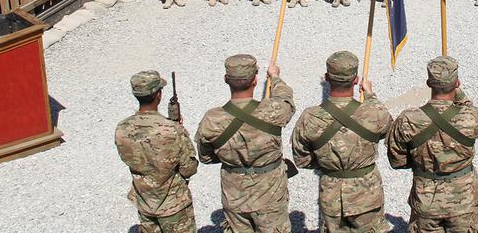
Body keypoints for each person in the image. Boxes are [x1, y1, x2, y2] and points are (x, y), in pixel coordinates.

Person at [291, 51, 392, 232]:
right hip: (367, 195)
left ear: (327, 77)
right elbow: (388, 131)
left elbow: (302, 159)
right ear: (356, 80)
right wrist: (370, 96)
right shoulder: (374, 112)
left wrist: (327, 165)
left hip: (332, 194)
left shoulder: (310, 117)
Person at [387, 56, 478, 233]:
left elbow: (397, 160)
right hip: (463, 201)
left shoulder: (408, 119)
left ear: (428, 83)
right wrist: (461, 95)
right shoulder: (471, 118)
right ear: (457, 83)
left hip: (425, 201)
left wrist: (422, 162)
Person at [194, 55, 295, 233]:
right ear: (255, 80)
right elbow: (286, 100)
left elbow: (206, 158)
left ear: (226, 80)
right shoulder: (272, 110)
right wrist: (275, 77)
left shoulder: (212, 118)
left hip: (234, 193)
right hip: (270, 191)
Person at [115, 70, 198, 232]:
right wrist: (176, 128)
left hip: (144, 201)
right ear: (158, 94)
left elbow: (129, 157)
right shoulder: (171, 130)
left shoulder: (122, 128)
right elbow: (189, 168)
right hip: (173, 205)